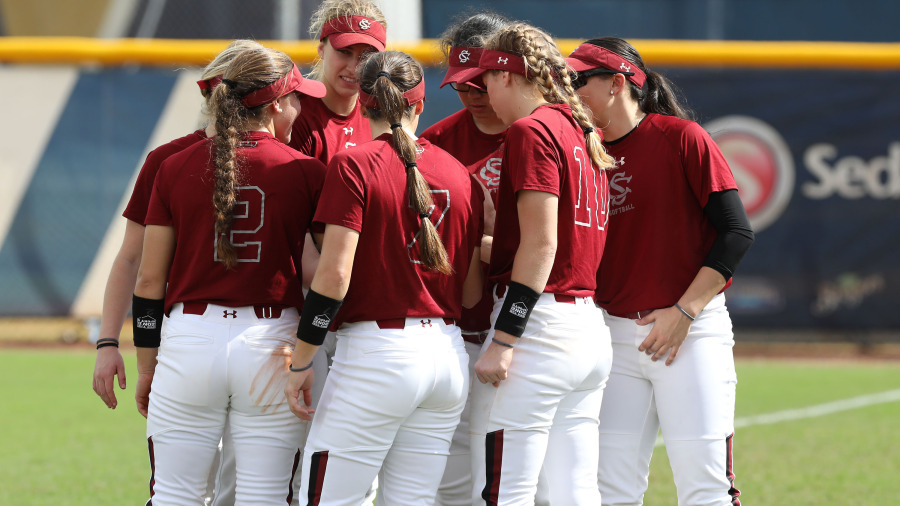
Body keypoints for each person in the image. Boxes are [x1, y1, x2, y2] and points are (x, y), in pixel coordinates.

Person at [283, 50, 484, 505]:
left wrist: (302, 360)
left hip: (378, 354)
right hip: (446, 357)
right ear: (420, 104)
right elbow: (471, 292)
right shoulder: (459, 173)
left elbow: (334, 277)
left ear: (365, 101)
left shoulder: (355, 164)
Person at [132, 46, 328, 504]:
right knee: (264, 496)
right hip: (271, 340)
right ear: (277, 102)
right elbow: (323, 273)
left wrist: (146, 366)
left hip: (189, 338)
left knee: (174, 496)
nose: (301, 108)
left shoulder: (174, 165)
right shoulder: (306, 170)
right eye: (297, 97)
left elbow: (147, 281)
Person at [566, 37, 755, 505]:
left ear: (616, 83)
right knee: (610, 490)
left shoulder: (681, 137)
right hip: (610, 333)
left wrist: (685, 311)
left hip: (690, 332)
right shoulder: (579, 152)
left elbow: (736, 232)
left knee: (705, 488)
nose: (569, 91)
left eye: (578, 80)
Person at [451, 23, 615, 505]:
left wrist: (504, 338)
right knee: (574, 493)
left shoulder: (532, 129)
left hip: (539, 329)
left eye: (486, 79)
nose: (481, 91)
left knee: (507, 491)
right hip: (586, 324)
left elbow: (542, 246)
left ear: (507, 76)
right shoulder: (579, 127)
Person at [91, 39, 263, 410]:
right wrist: (108, 342)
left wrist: (114, 346)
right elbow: (131, 261)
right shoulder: (169, 159)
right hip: (242, 338)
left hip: (199, 338)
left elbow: (133, 264)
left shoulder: (284, 158)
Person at [418, 12, 509, 506]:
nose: (472, 97)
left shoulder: (547, 134)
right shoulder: (437, 144)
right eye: (461, 85)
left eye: (481, 84)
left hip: (536, 329)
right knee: (452, 482)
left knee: (527, 480)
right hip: (463, 329)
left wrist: (486, 245)